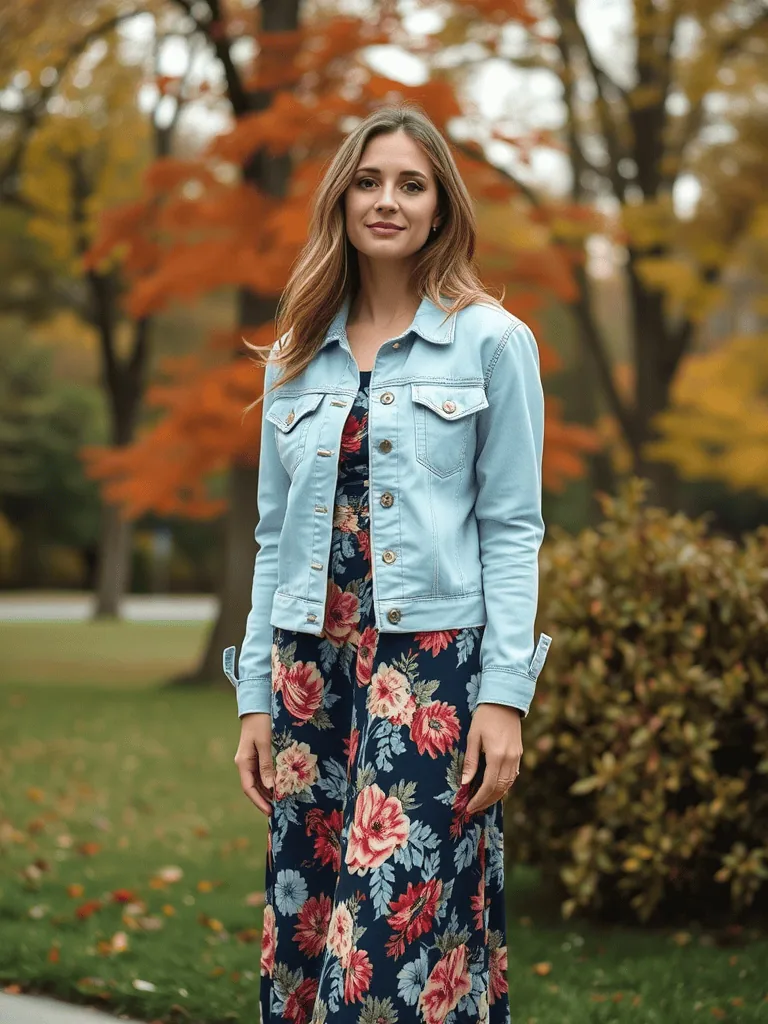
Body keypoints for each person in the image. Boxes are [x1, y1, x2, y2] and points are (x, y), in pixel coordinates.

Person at [224, 103, 552, 1024]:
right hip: (309, 671)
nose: (387, 201)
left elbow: (513, 528)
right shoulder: (294, 354)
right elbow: (271, 536)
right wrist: (254, 697)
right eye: (368, 182)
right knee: (306, 934)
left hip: (431, 671)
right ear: (341, 198)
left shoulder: (493, 342)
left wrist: (505, 696)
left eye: (412, 184)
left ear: (441, 206)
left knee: (390, 947)